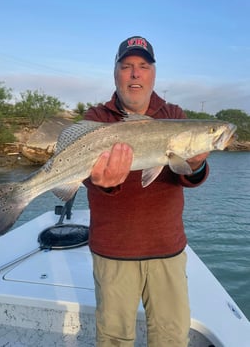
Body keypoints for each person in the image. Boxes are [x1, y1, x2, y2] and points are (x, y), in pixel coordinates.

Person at [83, 35, 209, 347]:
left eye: (143, 66)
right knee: (113, 339)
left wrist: (194, 164)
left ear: (153, 73)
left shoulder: (175, 116)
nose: (135, 73)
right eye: (127, 66)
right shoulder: (95, 119)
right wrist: (103, 184)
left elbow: (187, 176)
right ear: (116, 73)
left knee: (171, 337)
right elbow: (86, 180)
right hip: (113, 250)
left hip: (166, 247)